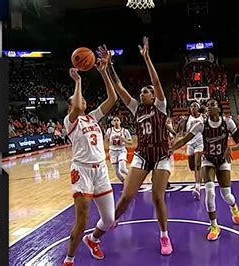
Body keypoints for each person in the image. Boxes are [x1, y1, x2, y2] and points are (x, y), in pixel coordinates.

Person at [95, 38, 174, 255]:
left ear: (153, 95)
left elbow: (157, 83)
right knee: (127, 196)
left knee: (158, 197)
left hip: (161, 156)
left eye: (145, 91)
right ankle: (108, 225)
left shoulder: (160, 105)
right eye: (141, 92)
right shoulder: (136, 108)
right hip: (142, 155)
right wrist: (109, 66)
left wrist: (147, 58)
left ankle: (164, 236)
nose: (142, 93)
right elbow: (119, 88)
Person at [62, 59, 117, 266]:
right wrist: (77, 81)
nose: (82, 101)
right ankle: (69, 259)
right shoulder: (70, 121)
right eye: (78, 100)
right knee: (83, 218)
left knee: (109, 219)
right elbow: (76, 105)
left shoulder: (93, 118)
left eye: (84, 99)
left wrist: (104, 72)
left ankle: (92, 240)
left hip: (101, 171)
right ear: (70, 106)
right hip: (82, 171)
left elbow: (112, 98)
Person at [171, 99, 239, 241]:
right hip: (208, 160)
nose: (209, 107)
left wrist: (231, 148)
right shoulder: (201, 125)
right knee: (210, 193)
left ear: (219, 108)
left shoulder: (228, 122)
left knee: (227, 196)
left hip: (222, 161)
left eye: (213, 105)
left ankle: (234, 206)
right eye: (208, 106)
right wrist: (170, 149)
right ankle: (214, 226)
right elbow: (184, 140)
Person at [178, 101, 204, 199]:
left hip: (199, 143)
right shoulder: (186, 119)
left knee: (198, 165)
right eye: (192, 106)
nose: (193, 107)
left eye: (195, 106)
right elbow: (179, 131)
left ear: (198, 108)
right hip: (190, 144)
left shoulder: (203, 118)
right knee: (192, 167)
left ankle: (198, 186)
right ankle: (199, 177)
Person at [105, 117, 132, 184]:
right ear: (112, 122)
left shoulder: (125, 131)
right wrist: (108, 142)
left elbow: (131, 142)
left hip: (121, 151)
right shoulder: (109, 130)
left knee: (122, 169)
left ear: (120, 122)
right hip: (113, 152)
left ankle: (133, 179)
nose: (116, 121)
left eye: (117, 120)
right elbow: (106, 140)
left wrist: (124, 140)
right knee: (117, 173)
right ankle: (125, 183)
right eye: (114, 120)